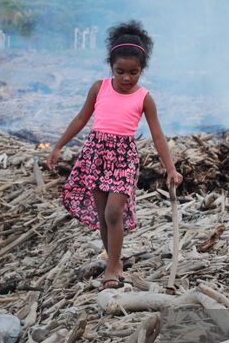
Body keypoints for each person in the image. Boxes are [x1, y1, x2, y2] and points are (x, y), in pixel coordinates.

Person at [45, 21, 181, 290]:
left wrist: (171, 168)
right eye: (121, 72)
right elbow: (81, 119)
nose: (127, 78)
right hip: (96, 154)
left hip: (123, 158)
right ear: (111, 67)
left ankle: (111, 267)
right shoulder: (100, 88)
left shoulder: (144, 98)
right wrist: (58, 146)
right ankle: (114, 260)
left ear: (142, 70)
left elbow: (157, 135)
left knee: (114, 211)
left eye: (133, 72)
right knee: (103, 215)